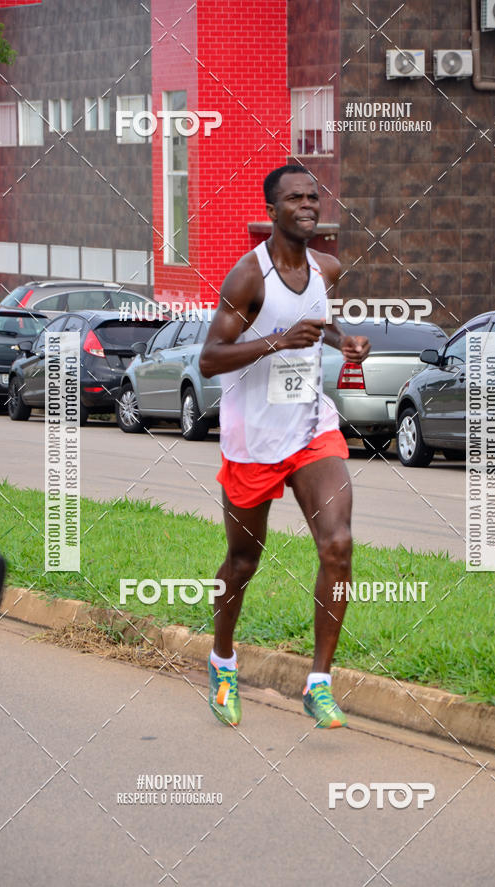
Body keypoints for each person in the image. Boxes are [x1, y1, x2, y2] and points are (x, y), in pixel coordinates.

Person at [199, 164, 370, 729]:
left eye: (313, 196)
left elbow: (317, 322)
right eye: (294, 198)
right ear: (271, 210)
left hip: (310, 428)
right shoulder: (248, 277)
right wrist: (275, 342)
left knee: (338, 544)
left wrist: (345, 341)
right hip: (253, 438)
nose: (308, 204)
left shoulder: (328, 267)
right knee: (245, 560)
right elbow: (208, 360)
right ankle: (222, 660)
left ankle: (318, 682)